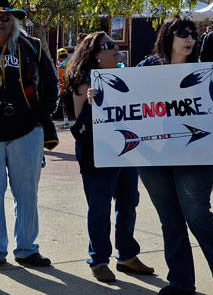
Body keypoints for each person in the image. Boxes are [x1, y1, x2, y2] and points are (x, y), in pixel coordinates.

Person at [137, 16, 213, 295]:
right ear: (167, 36)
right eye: (182, 33)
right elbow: (125, 102)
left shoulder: (203, 71)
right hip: (155, 156)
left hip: (196, 154)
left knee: (198, 215)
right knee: (170, 219)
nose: (189, 38)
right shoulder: (146, 68)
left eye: (193, 34)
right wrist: (97, 96)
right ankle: (181, 282)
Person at [0, 0, 59, 271]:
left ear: (13, 21)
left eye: (5, 18)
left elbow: (52, 85)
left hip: (26, 133)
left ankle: (27, 249)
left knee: (27, 194)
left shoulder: (32, 47)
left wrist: (41, 118)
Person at [65, 32, 154, 283]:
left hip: (126, 151)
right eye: (109, 46)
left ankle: (126, 255)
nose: (116, 49)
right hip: (97, 154)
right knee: (100, 207)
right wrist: (92, 104)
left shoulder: (125, 77)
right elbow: (79, 128)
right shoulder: (83, 83)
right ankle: (99, 260)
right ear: (96, 55)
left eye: (115, 44)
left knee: (128, 202)